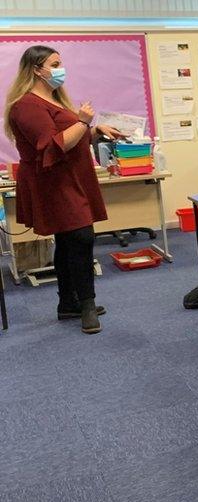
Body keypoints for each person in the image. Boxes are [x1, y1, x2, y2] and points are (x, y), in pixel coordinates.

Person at [4, 45, 125, 334]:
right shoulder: (26, 105)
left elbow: (70, 136)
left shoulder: (53, 99)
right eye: (55, 64)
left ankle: (66, 303)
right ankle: (86, 306)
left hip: (71, 179)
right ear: (36, 69)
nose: (60, 69)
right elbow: (53, 146)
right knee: (82, 238)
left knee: (69, 240)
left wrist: (96, 130)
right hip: (54, 183)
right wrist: (83, 121)